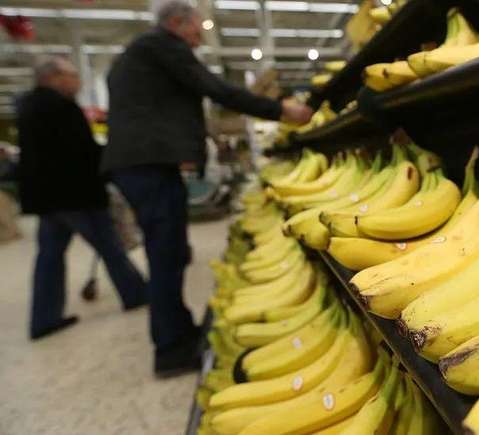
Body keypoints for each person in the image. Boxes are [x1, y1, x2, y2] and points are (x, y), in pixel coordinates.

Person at [103, 1, 313, 377]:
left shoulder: (137, 56)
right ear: (177, 23)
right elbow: (215, 89)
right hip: (149, 165)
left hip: (141, 164)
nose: (199, 38)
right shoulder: (161, 46)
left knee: (170, 251)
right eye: (197, 30)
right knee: (166, 253)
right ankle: (171, 350)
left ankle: (180, 331)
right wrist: (281, 110)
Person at [15, 57, 147, 340]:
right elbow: (81, 154)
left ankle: (43, 318)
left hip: (46, 198)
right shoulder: (61, 108)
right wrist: (110, 169)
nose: (77, 81)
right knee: (109, 244)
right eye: (72, 75)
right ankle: (136, 293)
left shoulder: (28, 109)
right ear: (53, 77)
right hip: (75, 194)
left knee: (49, 257)